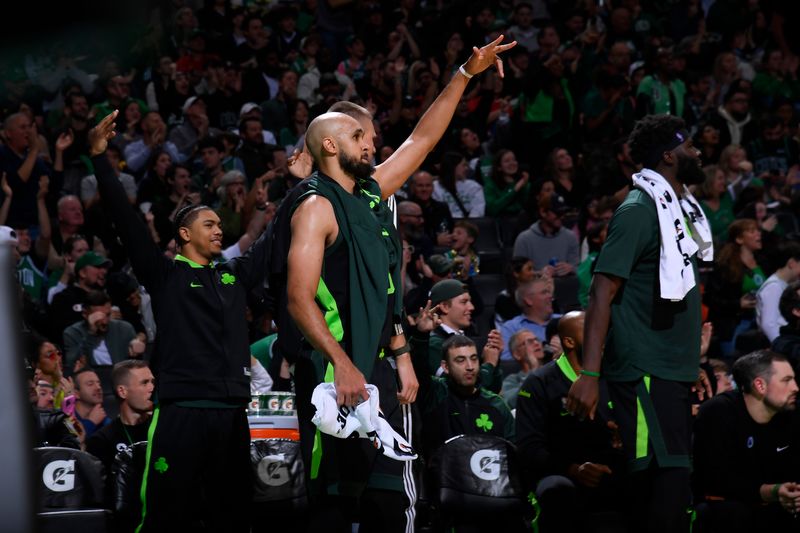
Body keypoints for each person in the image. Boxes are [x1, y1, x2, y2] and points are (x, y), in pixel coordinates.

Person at [281, 36, 516, 531]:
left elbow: (422, 140)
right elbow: (299, 300)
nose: (372, 143)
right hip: (333, 369)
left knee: (382, 498)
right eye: (359, 137)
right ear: (330, 145)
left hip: (375, 367)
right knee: (332, 501)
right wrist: (343, 366)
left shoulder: (370, 194)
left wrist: (465, 74)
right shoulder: (316, 207)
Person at [89, 111, 267, 532]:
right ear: (185, 235)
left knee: (235, 518)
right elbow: (128, 223)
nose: (219, 230)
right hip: (181, 411)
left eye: (221, 224)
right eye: (209, 224)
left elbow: (275, 241)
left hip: (231, 413)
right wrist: (99, 159)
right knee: (166, 516)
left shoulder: (235, 275)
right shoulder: (165, 274)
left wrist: (302, 186)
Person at [566, 114, 713, 533]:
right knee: (660, 483)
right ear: (669, 155)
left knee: (673, 480)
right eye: (691, 145)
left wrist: (690, 363)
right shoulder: (637, 210)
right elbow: (600, 292)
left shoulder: (676, 208)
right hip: (643, 369)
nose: (698, 152)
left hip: (669, 368)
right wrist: (591, 372)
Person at [516, 311, 625, 533]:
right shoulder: (539, 383)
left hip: (611, 468)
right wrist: (573, 469)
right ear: (568, 341)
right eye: (591, 331)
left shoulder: (615, 376)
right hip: (561, 474)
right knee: (557, 489)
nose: (600, 336)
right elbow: (529, 448)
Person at [693, 350, 800, 532]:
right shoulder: (719, 412)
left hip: (775, 505)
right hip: (730, 509)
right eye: (786, 380)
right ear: (760, 385)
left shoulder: (791, 415)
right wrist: (771, 491)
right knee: (731, 512)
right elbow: (716, 481)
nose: (795, 387)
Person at [86, 360, 154, 471]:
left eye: (153, 382)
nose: (152, 388)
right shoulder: (102, 441)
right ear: (122, 392)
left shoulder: (164, 429)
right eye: (144, 383)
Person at [63, 290, 139, 375]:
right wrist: (91, 333)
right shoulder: (72, 333)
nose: (105, 322)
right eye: (99, 317)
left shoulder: (124, 328)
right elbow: (73, 366)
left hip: (122, 378)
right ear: (85, 314)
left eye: (107, 315)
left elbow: (136, 362)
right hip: (91, 380)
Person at [512, 192, 579, 276]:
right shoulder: (524, 239)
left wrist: (571, 268)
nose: (562, 217)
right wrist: (540, 273)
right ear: (543, 212)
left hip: (565, 286)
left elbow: (578, 268)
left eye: (563, 213)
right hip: (534, 287)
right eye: (557, 213)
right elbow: (518, 273)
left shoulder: (570, 237)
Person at [499, 274, 561, 362]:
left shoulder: (564, 321)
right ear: (528, 300)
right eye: (544, 292)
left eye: (549, 292)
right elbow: (506, 361)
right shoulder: (511, 328)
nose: (550, 296)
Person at [757, 241, 800, 343]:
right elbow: (768, 324)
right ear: (792, 263)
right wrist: (781, 347)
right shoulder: (773, 287)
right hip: (781, 343)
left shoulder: (783, 284)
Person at [500, 330, 546, 409]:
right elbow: (511, 402)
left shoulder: (553, 369)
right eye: (529, 342)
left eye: (537, 339)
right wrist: (534, 371)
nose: (536, 343)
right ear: (517, 354)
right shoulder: (512, 380)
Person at [73, 368, 112, 440]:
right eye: (90, 384)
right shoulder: (68, 417)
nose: (98, 387)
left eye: (99, 383)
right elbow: (74, 440)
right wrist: (91, 423)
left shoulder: (107, 422)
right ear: (76, 393)